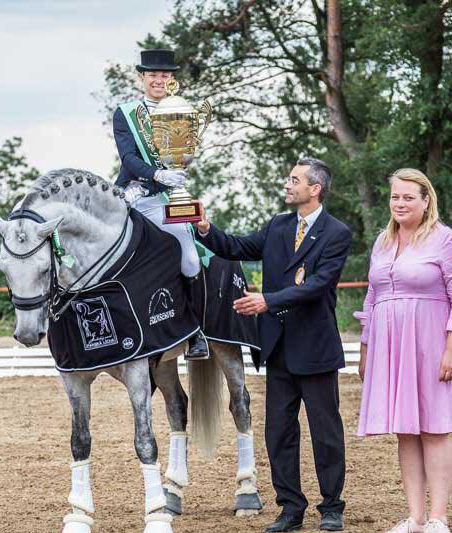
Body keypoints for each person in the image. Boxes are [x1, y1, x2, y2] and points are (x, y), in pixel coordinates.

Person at [195, 158, 352, 532]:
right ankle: (290, 508)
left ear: (315, 189)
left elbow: (319, 285)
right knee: (279, 433)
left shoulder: (336, 232)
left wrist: (268, 300)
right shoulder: (278, 226)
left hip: (314, 347)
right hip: (279, 347)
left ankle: (331, 507)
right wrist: (205, 228)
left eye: (294, 179)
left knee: (325, 433)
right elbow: (235, 247)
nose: (288, 184)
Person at [354, 168, 452, 533]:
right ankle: (416, 517)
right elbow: (372, 294)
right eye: (395, 196)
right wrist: (365, 347)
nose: (400, 203)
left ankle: (439, 517)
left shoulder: (446, 240)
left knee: (435, 428)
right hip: (389, 345)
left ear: (426, 201)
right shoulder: (382, 242)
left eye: (409, 197)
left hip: (430, 342)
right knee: (405, 430)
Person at [112, 48, 209, 360]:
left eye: (164, 75)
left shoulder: (183, 111)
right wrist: (156, 174)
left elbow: (186, 154)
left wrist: (174, 173)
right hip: (130, 194)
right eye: (152, 74)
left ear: (172, 80)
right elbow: (128, 157)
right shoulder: (125, 113)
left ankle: (195, 333)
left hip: (163, 200)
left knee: (191, 260)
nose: (158, 79)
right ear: (142, 77)